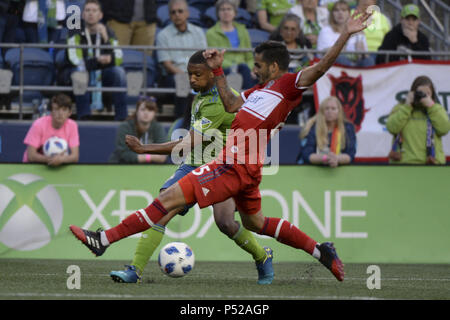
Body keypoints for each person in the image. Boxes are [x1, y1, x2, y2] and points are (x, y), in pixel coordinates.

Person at [70, 10, 373, 283]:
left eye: (258, 65)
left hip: (232, 164)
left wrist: (345, 33)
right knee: (255, 222)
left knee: (168, 199)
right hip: (246, 167)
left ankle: (105, 239)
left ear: (274, 66)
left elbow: (320, 68)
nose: (254, 69)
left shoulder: (289, 84)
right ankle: (321, 251)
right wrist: (218, 70)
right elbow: (230, 103)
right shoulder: (258, 91)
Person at [109, 50, 274, 285]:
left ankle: (262, 255)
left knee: (225, 223)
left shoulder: (218, 102)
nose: (192, 80)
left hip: (221, 169)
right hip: (194, 165)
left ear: (212, 74)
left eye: (197, 75)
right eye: (189, 74)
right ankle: (134, 270)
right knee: (162, 209)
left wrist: (144, 149)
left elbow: (186, 144)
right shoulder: (201, 97)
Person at [61, 0, 128, 121]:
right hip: (75, 75)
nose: (91, 13)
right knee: (80, 72)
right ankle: (84, 115)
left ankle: (122, 118)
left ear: (100, 15)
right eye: (87, 10)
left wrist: (106, 39)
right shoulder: (74, 31)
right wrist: (98, 61)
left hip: (101, 75)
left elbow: (118, 58)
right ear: (82, 15)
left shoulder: (108, 31)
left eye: (94, 10)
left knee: (119, 72)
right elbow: (76, 60)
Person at [156, 0, 207, 118]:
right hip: (173, 76)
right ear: (169, 16)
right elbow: (167, 65)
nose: (177, 15)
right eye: (173, 12)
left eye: (180, 11)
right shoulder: (163, 35)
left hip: (197, 73)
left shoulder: (198, 32)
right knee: (182, 81)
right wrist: (187, 76)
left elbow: (203, 59)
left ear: (187, 13)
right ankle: (181, 124)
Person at [386, 75, 450, 165]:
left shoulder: (436, 109)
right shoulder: (401, 107)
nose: (423, 97)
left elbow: (444, 129)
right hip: (403, 164)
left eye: (427, 94)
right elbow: (392, 128)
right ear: (413, 92)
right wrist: (407, 106)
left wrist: (431, 106)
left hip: (432, 164)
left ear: (432, 95)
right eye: (420, 93)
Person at [206, 0, 256, 90]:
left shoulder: (243, 31)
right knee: (243, 70)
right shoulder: (211, 33)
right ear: (218, 13)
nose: (226, 12)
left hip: (244, 69)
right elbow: (214, 58)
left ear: (235, 13)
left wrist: (251, 69)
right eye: (222, 9)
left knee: (247, 70)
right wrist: (235, 67)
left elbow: (249, 57)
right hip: (223, 69)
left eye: (229, 9)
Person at [23, 93, 79, 166]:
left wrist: (61, 160)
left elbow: (75, 157)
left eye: (64, 110)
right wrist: (52, 160)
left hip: (60, 165)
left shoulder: (72, 125)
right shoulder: (38, 124)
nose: (60, 113)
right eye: (56, 109)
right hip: (34, 165)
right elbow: (31, 156)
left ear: (69, 113)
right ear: (51, 112)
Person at [299, 96, 356, 166]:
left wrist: (336, 159)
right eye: (327, 109)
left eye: (333, 109)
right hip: (315, 169)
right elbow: (306, 154)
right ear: (322, 112)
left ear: (339, 111)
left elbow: (350, 155)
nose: (330, 111)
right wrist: (325, 158)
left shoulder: (348, 128)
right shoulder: (313, 127)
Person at [108, 97, 168, 164]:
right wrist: (149, 157)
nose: (146, 113)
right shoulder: (125, 127)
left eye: (150, 110)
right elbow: (124, 154)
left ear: (154, 113)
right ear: (136, 111)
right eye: (143, 109)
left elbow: (162, 155)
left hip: (150, 168)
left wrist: (142, 157)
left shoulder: (158, 127)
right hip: (122, 166)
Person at [317, 0, 374, 67]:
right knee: (341, 58)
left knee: (369, 60)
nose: (340, 13)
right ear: (332, 14)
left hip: (355, 65)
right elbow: (328, 54)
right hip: (333, 66)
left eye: (343, 10)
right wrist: (347, 36)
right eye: (336, 10)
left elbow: (364, 56)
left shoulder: (357, 31)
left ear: (349, 14)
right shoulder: (326, 31)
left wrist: (360, 43)